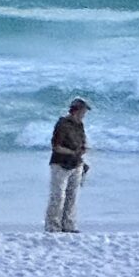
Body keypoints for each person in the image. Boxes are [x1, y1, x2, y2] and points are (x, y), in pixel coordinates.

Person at [45, 97, 91, 233]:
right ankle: (53, 226)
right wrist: (72, 152)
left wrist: (82, 153)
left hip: (76, 164)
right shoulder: (62, 124)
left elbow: (82, 144)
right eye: (83, 111)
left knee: (72, 196)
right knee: (58, 196)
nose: (84, 114)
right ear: (76, 110)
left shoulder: (80, 125)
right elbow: (56, 146)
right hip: (60, 164)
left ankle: (68, 225)